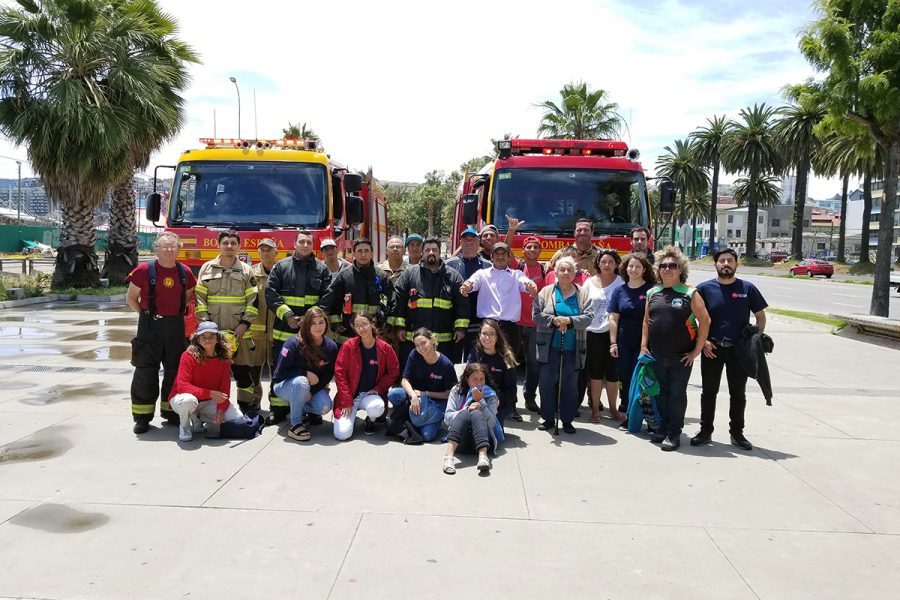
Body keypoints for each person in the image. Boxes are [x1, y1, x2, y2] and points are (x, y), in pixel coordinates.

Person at [692, 248, 768, 451]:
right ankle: (705, 431)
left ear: (736, 264)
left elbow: (760, 316)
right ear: (715, 264)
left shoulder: (748, 288)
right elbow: (694, 318)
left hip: (738, 351)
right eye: (722, 260)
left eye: (730, 260)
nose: (726, 264)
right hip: (712, 349)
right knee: (709, 392)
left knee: (738, 394)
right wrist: (704, 341)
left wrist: (754, 340)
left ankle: (737, 433)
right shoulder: (704, 289)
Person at [640, 246, 711, 452]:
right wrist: (644, 346)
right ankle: (662, 427)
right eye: (663, 265)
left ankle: (674, 432)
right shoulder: (652, 292)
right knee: (661, 393)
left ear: (680, 269)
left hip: (681, 357)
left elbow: (705, 321)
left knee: (677, 394)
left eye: (673, 265)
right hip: (657, 354)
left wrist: (696, 351)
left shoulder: (690, 293)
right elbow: (646, 322)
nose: (667, 269)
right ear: (658, 269)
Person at [126, 232, 196, 433]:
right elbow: (131, 298)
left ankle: (171, 412)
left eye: (173, 246)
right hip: (149, 327)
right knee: (145, 372)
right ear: (156, 249)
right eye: (164, 246)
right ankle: (142, 417)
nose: (168, 250)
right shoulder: (143, 270)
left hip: (175, 326)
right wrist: (146, 315)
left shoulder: (185, 272)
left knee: (175, 372)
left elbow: (188, 297)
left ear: (178, 249)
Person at [265, 230, 332, 425]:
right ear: (294, 244)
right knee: (280, 369)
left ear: (312, 245)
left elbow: (327, 297)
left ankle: (312, 410)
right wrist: (287, 316)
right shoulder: (281, 267)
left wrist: (309, 319)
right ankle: (277, 408)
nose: (304, 245)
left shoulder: (322, 269)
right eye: (301, 241)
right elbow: (271, 293)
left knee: (314, 370)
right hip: (284, 332)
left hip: (311, 336)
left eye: (308, 242)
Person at [195, 230, 259, 415]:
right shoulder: (206, 268)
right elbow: (200, 299)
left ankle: (246, 407)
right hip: (212, 335)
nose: (229, 246)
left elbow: (253, 301)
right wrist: (206, 326)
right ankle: (209, 408)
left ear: (239, 246)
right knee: (212, 373)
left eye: (233, 243)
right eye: (225, 243)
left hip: (240, 333)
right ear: (219, 245)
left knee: (242, 372)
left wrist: (244, 324)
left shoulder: (247, 271)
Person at [533, 257, 594, 433]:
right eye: (562, 270)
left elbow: (589, 317)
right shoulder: (546, 292)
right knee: (546, 384)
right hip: (549, 348)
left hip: (573, 349)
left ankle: (567, 419)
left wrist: (570, 321)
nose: (566, 273)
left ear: (575, 273)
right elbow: (536, 315)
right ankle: (548, 418)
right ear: (556, 273)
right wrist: (553, 320)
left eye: (569, 270)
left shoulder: (582, 294)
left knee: (570, 386)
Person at [390, 237, 469, 368]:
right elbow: (399, 302)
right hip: (413, 340)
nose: (431, 252)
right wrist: (400, 327)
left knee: (442, 376)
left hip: (444, 341)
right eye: (427, 250)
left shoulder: (453, 276)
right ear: (422, 252)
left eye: (434, 250)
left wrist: (460, 329)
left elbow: (462, 305)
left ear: (440, 252)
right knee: (413, 374)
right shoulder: (410, 274)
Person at [168, 321, 244, 443]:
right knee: (188, 401)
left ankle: (199, 417)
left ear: (218, 339)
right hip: (183, 398)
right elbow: (182, 386)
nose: (207, 339)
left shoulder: (224, 359)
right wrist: (210, 393)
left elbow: (224, 390)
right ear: (197, 339)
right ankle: (185, 426)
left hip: (207, 401)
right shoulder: (188, 355)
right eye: (203, 336)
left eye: (211, 336)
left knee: (237, 418)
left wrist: (220, 411)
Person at [270, 307, 338, 442]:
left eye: (321, 322)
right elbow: (279, 374)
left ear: (326, 323)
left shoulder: (331, 346)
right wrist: (304, 373)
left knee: (325, 407)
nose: (318, 327)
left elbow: (327, 376)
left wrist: (311, 392)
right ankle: (295, 424)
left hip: (308, 388)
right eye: (313, 323)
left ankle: (299, 407)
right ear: (306, 325)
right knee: (301, 382)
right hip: (284, 386)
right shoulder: (292, 344)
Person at [333, 312, 400, 440]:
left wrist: (378, 389)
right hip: (351, 396)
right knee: (342, 435)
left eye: (364, 324)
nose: (361, 328)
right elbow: (339, 373)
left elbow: (394, 371)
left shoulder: (385, 348)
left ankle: (371, 419)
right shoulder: (349, 346)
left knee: (377, 407)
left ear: (372, 324)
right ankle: (347, 417)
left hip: (370, 394)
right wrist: (346, 400)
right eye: (357, 325)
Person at [386, 328, 458, 444]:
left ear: (432, 340)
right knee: (393, 394)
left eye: (423, 343)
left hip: (435, 401)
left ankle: (421, 420)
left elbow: (450, 394)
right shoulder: (414, 354)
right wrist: (413, 396)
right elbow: (404, 380)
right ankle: (414, 416)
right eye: (417, 345)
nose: (420, 348)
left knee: (427, 435)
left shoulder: (446, 364)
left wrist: (426, 394)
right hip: (416, 396)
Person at [609, 252, 656, 423]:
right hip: (624, 342)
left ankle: (648, 414)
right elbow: (613, 318)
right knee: (627, 378)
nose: (633, 269)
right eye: (630, 266)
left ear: (644, 269)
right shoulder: (619, 291)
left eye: (637, 266)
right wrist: (613, 343)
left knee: (644, 379)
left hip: (646, 343)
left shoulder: (652, 289)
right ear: (625, 268)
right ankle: (629, 413)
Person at [459, 242, 537, 343]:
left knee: (510, 357)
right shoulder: (482, 274)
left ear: (508, 257)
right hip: (488, 325)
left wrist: (530, 284)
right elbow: (473, 282)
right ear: (492, 256)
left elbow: (525, 282)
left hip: (510, 328)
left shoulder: (517, 274)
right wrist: (467, 286)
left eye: (503, 254)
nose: (500, 257)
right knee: (486, 357)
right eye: (497, 254)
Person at [321, 238, 393, 344]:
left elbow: (390, 300)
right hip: (348, 334)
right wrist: (336, 324)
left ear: (372, 253)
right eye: (359, 251)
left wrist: (385, 323)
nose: (363, 254)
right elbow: (334, 302)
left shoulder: (382, 277)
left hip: (374, 332)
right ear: (354, 253)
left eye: (366, 251)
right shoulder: (344, 276)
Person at [585, 249, 625, 422]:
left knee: (613, 374)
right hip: (592, 333)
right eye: (603, 262)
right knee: (594, 373)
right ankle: (595, 409)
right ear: (598, 264)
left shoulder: (622, 282)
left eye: (610, 262)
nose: (607, 265)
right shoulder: (589, 282)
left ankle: (613, 409)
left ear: (616, 264)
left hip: (614, 334)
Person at [442, 363, 502, 474]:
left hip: (482, 441)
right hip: (461, 441)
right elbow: (447, 418)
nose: (479, 383)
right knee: (465, 413)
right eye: (475, 379)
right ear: (466, 379)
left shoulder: (490, 394)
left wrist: (482, 403)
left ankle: (483, 457)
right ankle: (448, 457)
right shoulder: (456, 391)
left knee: (476, 413)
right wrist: (466, 410)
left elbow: (492, 422)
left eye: (482, 379)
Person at [446, 228, 491, 361]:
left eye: (473, 239)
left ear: (479, 243)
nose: (469, 242)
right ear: (461, 242)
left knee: (475, 363)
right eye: (466, 239)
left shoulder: (488, 266)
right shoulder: (450, 265)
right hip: (454, 322)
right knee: (453, 361)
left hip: (478, 323)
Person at [244, 237, 278, 413]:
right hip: (255, 334)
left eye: (269, 249)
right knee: (254, 372)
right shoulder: (251, 273)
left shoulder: (282, 272)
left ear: (276, 252)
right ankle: (254, 403)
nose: (265, 253)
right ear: (258, 252)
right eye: (262, 250)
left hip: (276, 332)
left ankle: (276, 405)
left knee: (276, 371)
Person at [466, 319, 519, 424]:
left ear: (497, 337)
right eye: (484, 333)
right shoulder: (474, 354)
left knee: (490, 431)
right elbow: (466, 381)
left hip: (500, 402)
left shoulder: (506, 358)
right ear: (479, 335)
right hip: (476, 398)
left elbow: (511, 390)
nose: (487, 337)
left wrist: (496, 400)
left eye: (491, 334)